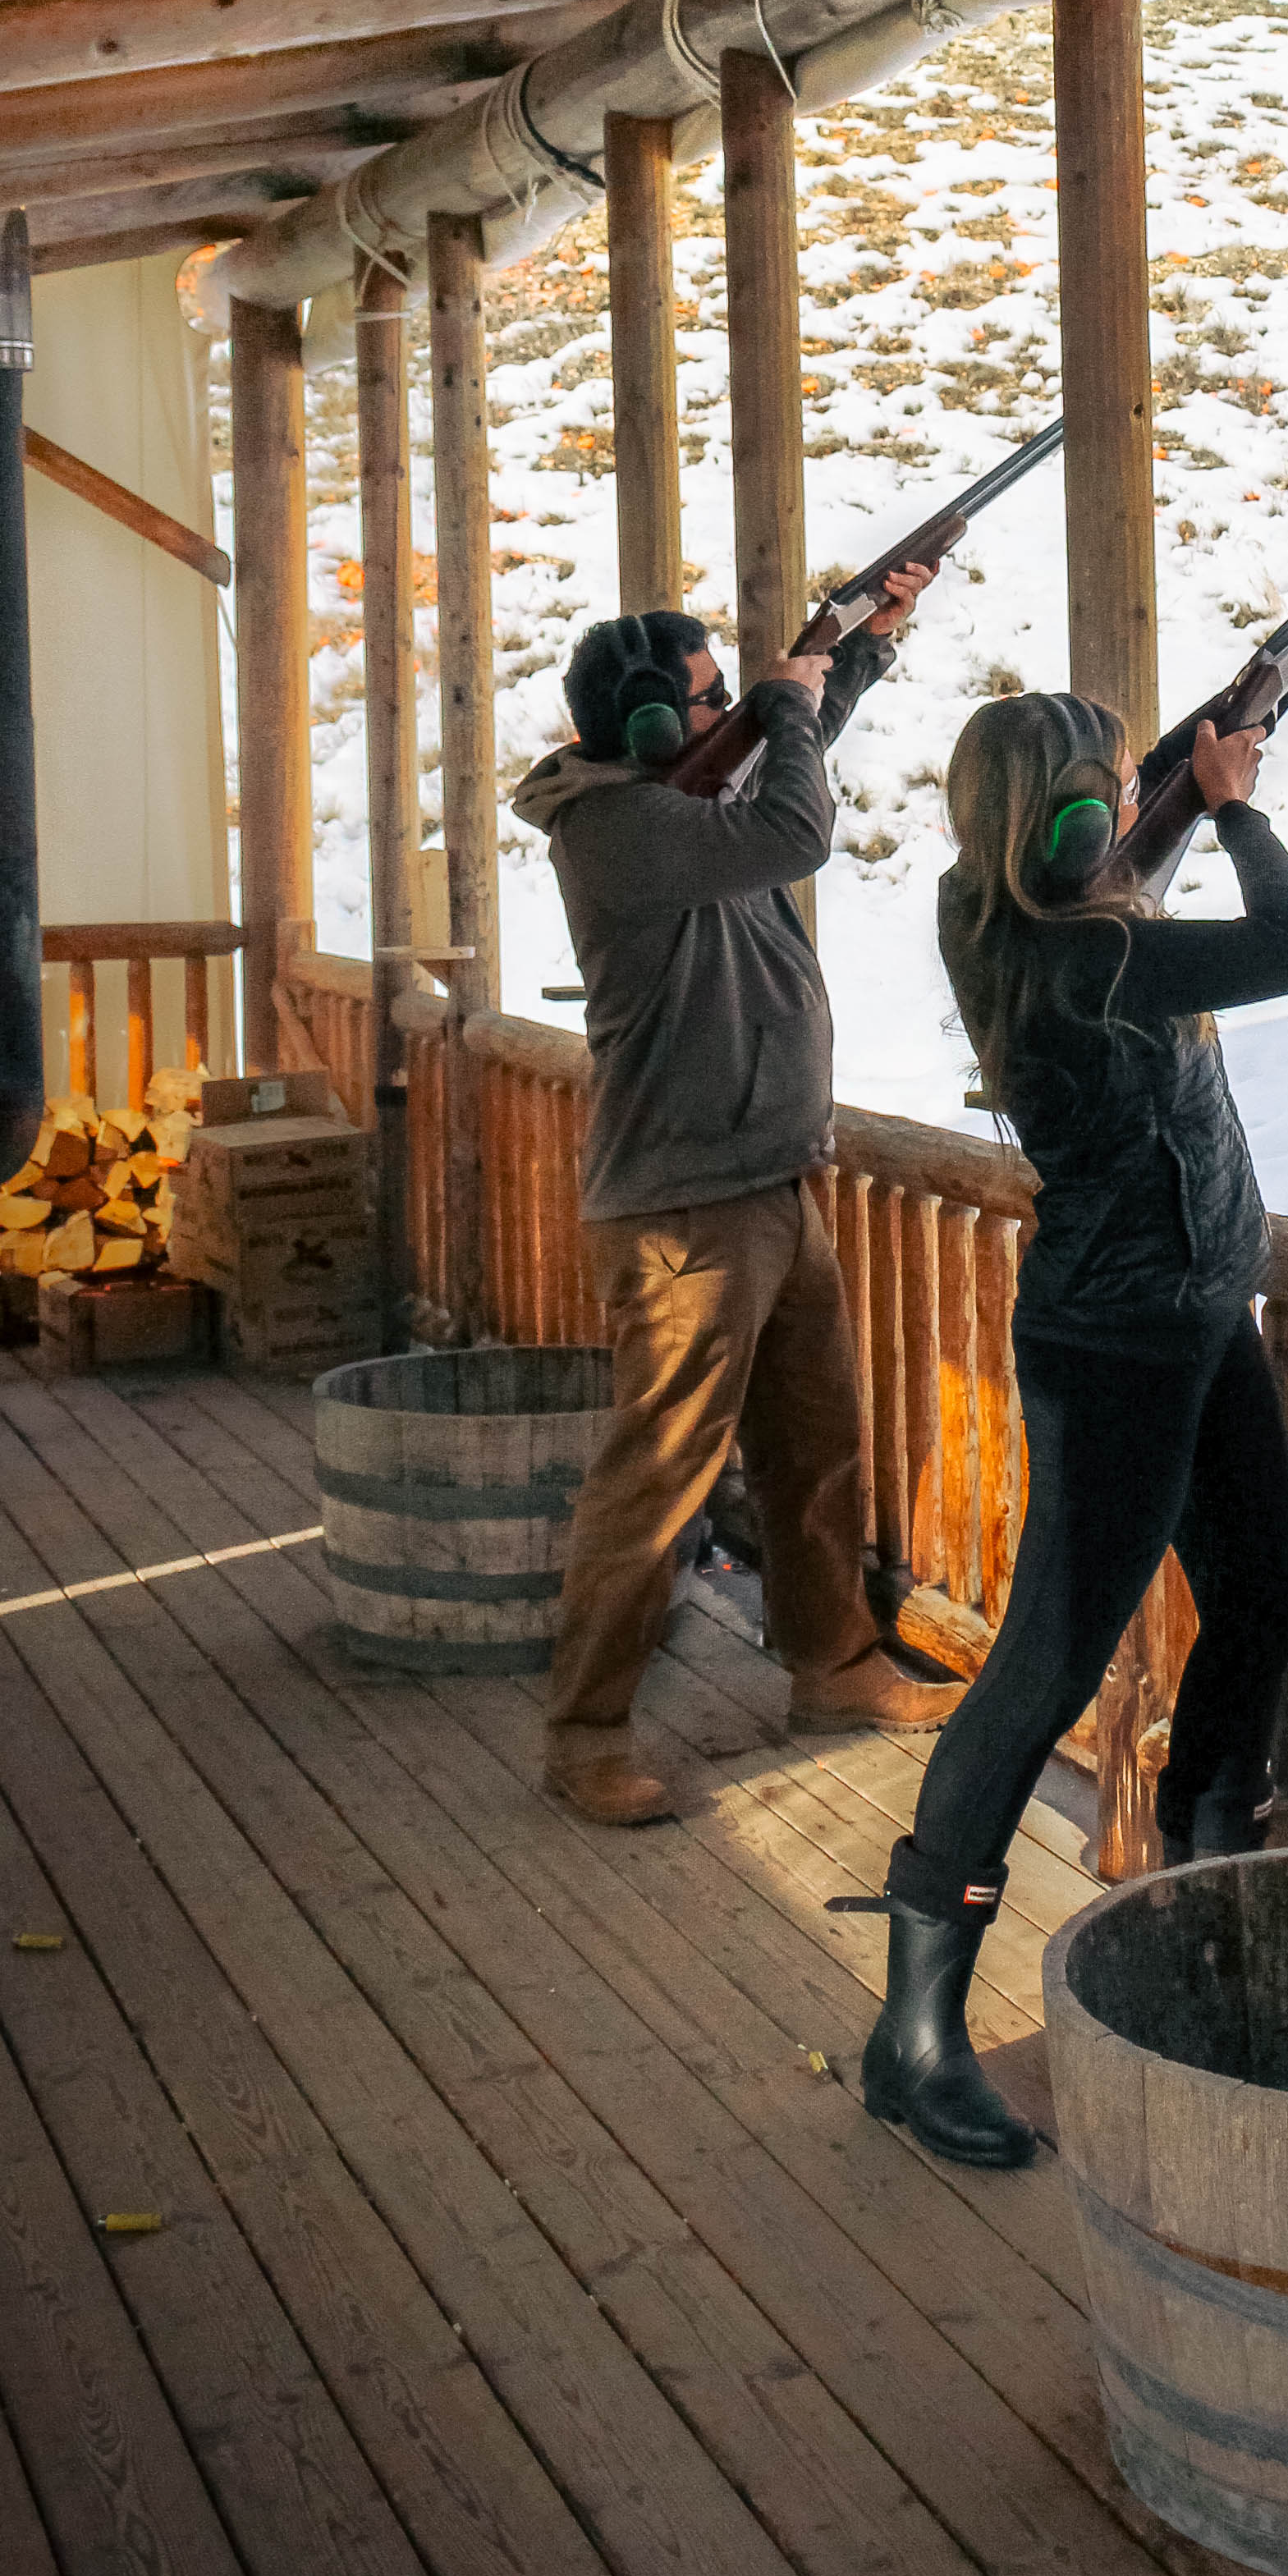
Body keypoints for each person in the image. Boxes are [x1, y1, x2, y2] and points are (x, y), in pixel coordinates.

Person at [856, 634, 1288, 2169]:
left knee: (1268, 1601)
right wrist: (1235, 806)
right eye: (1092, 800)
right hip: (1117, 1343)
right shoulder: (1091, 955)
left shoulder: (999, 903)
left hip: (1196, 1307)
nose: (1116, 815)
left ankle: (1199, 1900)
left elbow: (1099, 831)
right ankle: (912, 2038)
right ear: (1062, 830)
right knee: (1039, 1669)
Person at [512, 577, 956, 1825]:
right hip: (684, 1215)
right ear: (654, 729)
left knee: (814, 1445)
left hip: (769, 1175)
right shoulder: (621, 832)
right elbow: (799, 829)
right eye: (713, 703)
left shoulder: (679, 798)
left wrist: (855, 650)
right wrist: (793, 708)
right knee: (658, 1477)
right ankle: (587, 1734)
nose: (734, 720)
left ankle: (837, 1664)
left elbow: (780, 758)